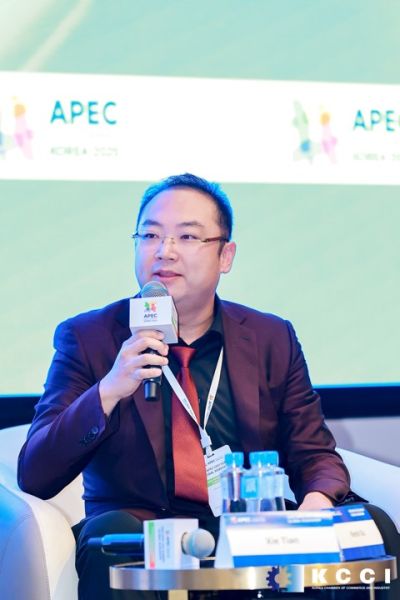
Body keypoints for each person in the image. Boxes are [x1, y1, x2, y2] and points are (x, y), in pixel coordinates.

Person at [17, 174, 395, 600]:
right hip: (141, 533)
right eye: (150, 235)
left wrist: (317, 504)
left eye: (187, 236)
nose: (165, 251)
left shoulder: (270, 338)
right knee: (111, 539)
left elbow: (314, 452)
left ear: (225, 255)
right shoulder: (91, 337)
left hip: (250, 532)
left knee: (374, 527)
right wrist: (109, 389)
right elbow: (36, 474)